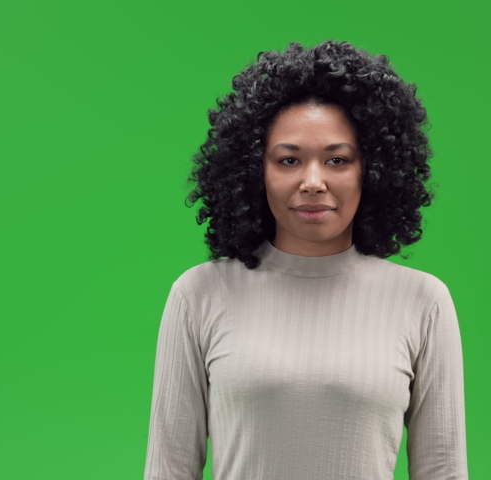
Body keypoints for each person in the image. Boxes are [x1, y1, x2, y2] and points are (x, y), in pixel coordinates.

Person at [144, 39, 468, 480]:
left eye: (337, 159)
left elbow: (443, 470)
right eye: (289, 159)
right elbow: (168, 470)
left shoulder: (423, 301)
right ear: (256, 170)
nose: (313, 181)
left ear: (371, 170)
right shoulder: (198, 295)